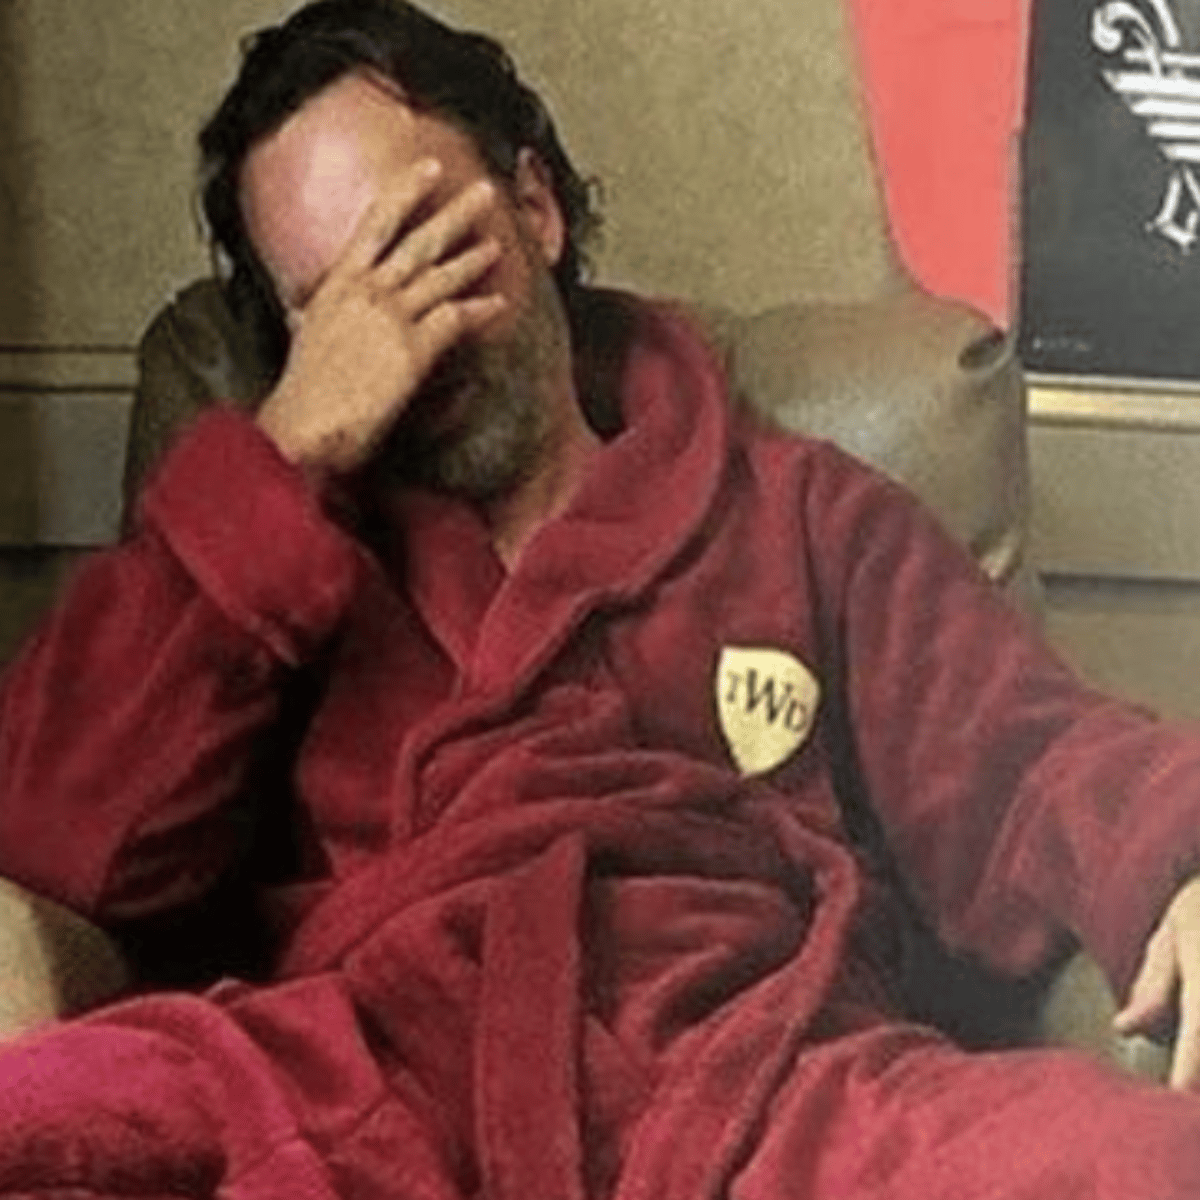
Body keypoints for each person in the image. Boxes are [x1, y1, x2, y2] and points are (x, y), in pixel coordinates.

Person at [2, 1, 1200, 1196]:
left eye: (420, 246)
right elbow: (55, 833)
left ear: (535, 206)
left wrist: (1179, 857)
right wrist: (289, 454)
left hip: (761, 1078)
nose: (400, 334)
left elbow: (1030, 761)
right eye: (332, 308)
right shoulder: (276, 559)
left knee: (1146, 1163)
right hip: (369, 1093)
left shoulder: (798, 514)